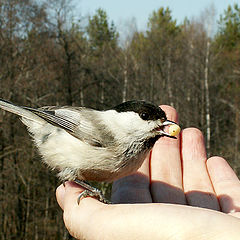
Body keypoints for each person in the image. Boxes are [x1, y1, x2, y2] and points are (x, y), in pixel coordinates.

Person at [56, 105, 240, 240]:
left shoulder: (136, 154)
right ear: (124, 117)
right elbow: (63, 119)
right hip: (56, 130)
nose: (158, 124)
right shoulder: (109, 131)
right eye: (145, 117)